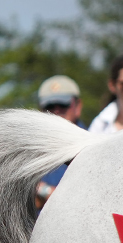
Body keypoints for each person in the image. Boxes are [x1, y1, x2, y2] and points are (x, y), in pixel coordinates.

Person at [33, 76, 84, 210]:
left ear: (78, 106)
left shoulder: (92, 148)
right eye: (49, 106)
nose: (56, 110)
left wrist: (43, 191)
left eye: (63, 104)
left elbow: (82, 199)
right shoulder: (30, 150)